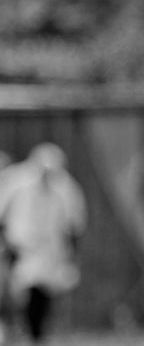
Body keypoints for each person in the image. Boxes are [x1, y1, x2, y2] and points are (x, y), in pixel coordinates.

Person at [0, 143, 87, 344]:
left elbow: (74, 222)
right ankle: (14, 330)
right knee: (15, 291)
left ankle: (34, 334)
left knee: (42, 291)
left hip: (49, 249)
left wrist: (71, 252)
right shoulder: (17, 181)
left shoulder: (66, 187)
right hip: (18, 247)